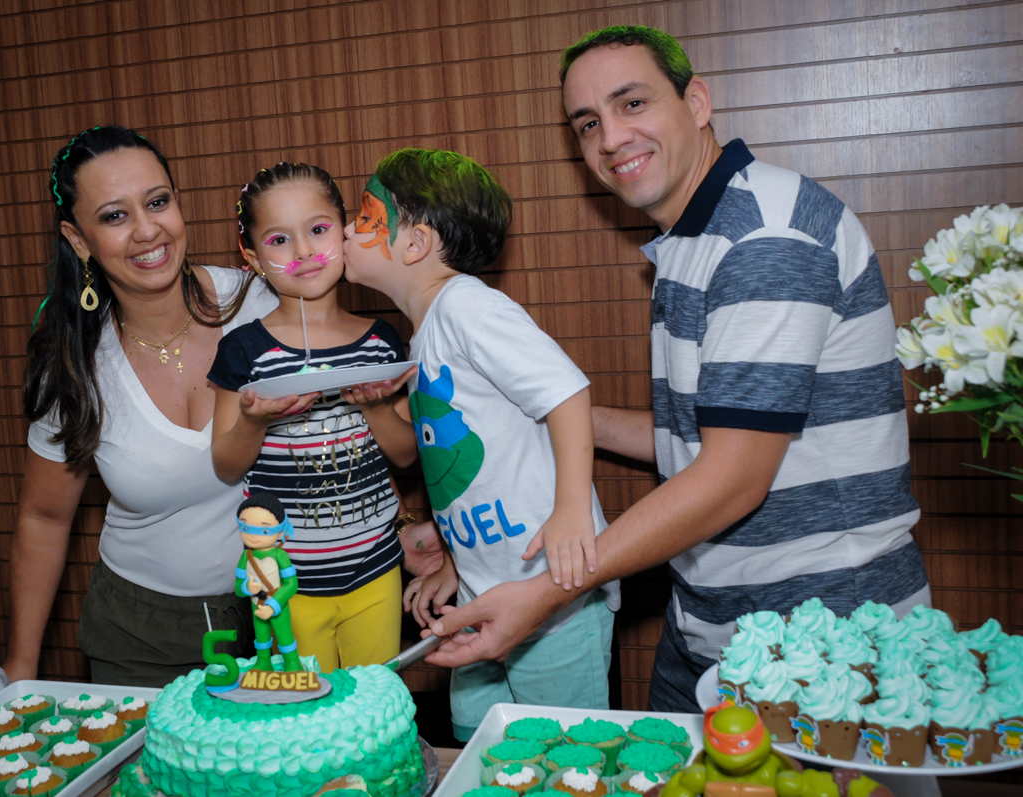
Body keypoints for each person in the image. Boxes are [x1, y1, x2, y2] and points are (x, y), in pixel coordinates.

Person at [419, 26, 930, 714]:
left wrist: (546, 592)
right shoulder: (694, 235)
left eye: (633, 104)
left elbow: (731, 477)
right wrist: (543, 415)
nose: (610, 138)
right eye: (588, 123)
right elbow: (696, 430)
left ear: (697, 101)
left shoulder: (764, 237)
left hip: (822, 634)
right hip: (711, 621)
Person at [343, 148, 620, 740]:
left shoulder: (467, 306)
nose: (346, 230)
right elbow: (432, 459)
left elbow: (567, 393)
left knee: (561, 750)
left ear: (414, 243)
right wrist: (450, 556)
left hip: (554, 596)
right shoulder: (426, 335)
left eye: (364, 217)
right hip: (480, 593)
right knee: (479, 740)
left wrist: (572, 507)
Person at [3, 126, 278, 687]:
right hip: (144, 641)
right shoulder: (76, 362)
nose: (148, 230)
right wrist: (22, 666)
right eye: (113, 216)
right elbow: (44, 517)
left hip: (289, 616)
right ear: (78, 240)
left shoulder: (265, 303)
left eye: (158, 202)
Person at [208, 162, 417, 673]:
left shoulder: (382, 341)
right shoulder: (243, 351)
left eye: (319, 230)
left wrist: (371, 404)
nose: (303, 252)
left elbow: (408, 454)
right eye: (279, 240)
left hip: (376, 572)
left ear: (345, 235)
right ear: (253, 257)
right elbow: (226, 466)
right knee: (306, 720)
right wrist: (255, 421)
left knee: (375, 711)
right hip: (286, 582)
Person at [234, 491, 303, 672]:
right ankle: (264, 662)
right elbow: (238, 590)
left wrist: (273, 606)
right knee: (261, 637)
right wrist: (246, 587)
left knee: (284, 635)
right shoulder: (245, 556)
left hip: (277, 605)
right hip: (256, 604)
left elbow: (291, 584)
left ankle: (292, 663)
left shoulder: (280, 555)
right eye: (245, 527)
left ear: (280, 530)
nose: (252, 536)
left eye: (264, 530)